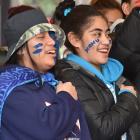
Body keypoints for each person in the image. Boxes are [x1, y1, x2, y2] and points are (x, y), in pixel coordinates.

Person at [0, 5, 91, 140]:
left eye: (51, 35)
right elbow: (46, 131)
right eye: (41, 37)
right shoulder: (8, 89)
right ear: (20, 49)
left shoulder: (55, 84)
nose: (51, 41)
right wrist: (67, 97)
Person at [54, 1, 140, 140]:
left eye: (107, 34)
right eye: (96, 35)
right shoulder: (70, 76)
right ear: (75, 39)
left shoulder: (115, 71)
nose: (106, 41)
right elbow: (102, 130)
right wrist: (129, 98)